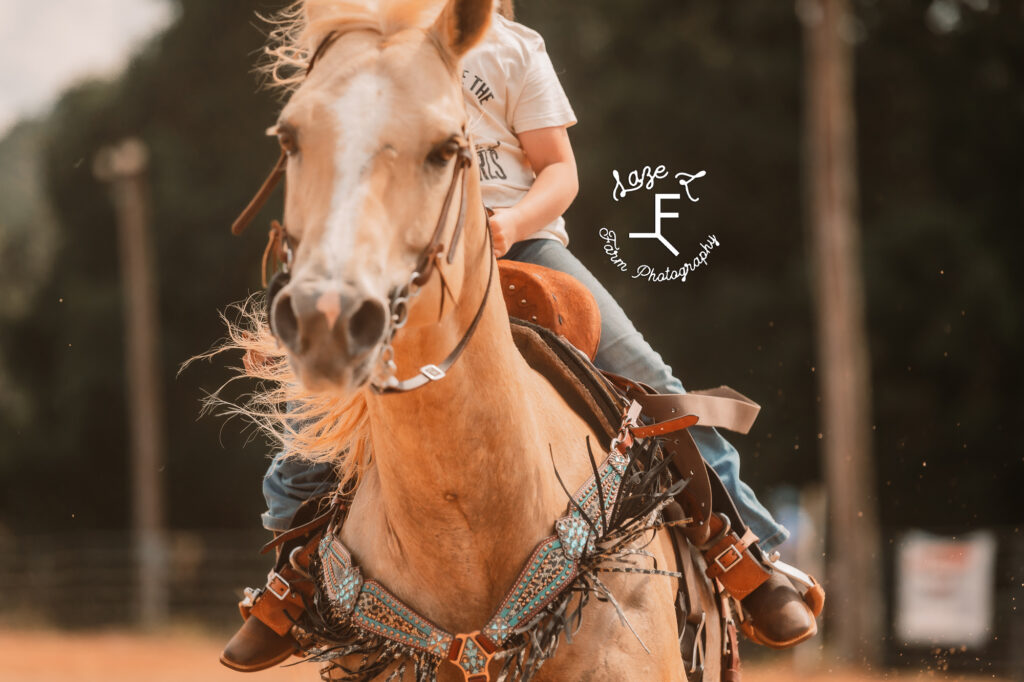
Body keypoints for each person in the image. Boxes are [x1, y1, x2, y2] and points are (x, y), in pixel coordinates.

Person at [244, 3, 818, 669]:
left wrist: (513, 223)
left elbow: (560, 169)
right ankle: (290, 578)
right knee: (310, 403)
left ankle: (743, 549)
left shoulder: (512, 49)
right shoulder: (365, 56)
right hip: (410, 251)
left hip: (522, 245)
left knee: (651, 382)